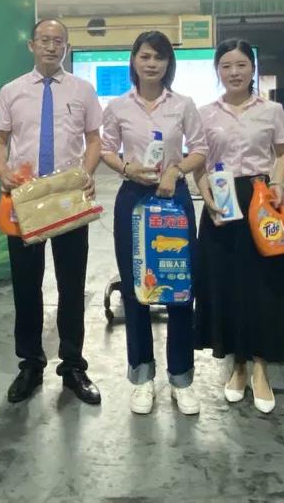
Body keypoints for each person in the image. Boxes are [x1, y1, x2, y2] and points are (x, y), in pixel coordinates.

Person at [0, 18, 103, 405]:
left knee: (72, 286)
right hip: (26, 200)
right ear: (32, 45)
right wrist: (3, 171)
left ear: (66, 47)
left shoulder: (83, 90)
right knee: (26, 285)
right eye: (44, 40)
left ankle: (73, 366)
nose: (51, 47)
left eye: (58, 41)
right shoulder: (12, 91)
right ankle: (30, 365)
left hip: (68, 199)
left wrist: (86, 173)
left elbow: (94, 140)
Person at [100, 30, 208, 415]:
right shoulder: (118, 106)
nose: (151, 63)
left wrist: (175, 170)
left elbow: (200, 148)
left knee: (179, 288)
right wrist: (126, 168)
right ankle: (142, 377)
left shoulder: (183, 105)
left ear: (168, 64)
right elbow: (107, 149)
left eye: (159, 57)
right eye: (145, 56)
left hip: (173, 198)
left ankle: (181, 379)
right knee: (136, 289)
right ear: (134, 60)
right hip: (132, 199)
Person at [192, 38, 284, 414]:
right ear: (217, 71)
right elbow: (199, 162)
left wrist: (278, 184)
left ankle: (261, 367)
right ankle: (236, 365)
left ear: (252, 68)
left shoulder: (272, 110)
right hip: (221, 200)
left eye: (241, 65)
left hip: (260, 200)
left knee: (264, 284)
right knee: (226, 284)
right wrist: (206, 196)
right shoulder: (204, 113)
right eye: (226, 66)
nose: (234, 72)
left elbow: (283, 153)